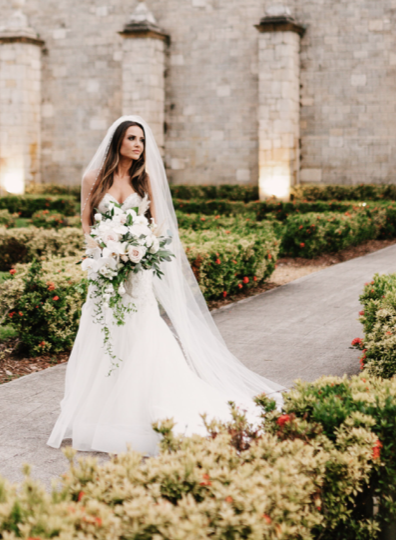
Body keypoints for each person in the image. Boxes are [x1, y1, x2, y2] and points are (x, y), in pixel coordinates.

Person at [47, 116, 282, 455]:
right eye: (131, 138)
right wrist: (104, 254)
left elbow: (157, 228)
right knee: (103, 335)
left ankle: (143, 412)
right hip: (104, 270)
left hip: (137, 271)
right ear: (117, 142)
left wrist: (137, 250)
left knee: (141, 336)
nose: (138, 144)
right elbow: (85, 225)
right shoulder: (92, 178)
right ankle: (98, 415)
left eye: (141, 139)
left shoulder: (145, 180)